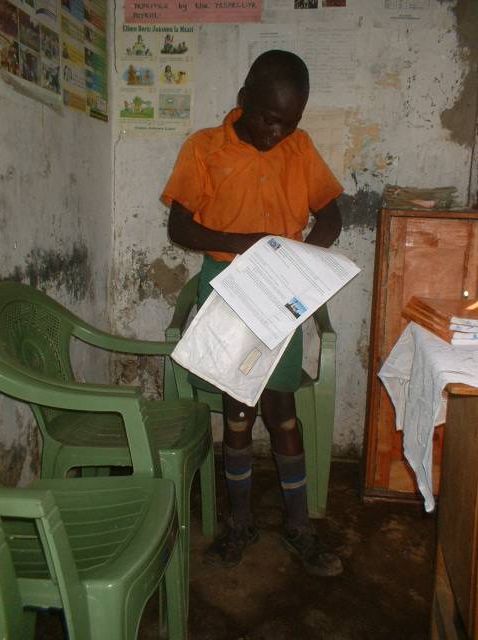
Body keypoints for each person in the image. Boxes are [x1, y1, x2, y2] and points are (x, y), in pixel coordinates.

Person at [162, 50, 344, 577]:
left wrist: (302, 258)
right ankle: (239, 522)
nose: (277, 132)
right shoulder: (204, 148)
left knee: (282, 410)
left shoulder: (299, 148)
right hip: (229, 287)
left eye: (290, 122)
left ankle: (298, 526)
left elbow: (330, 214)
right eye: (268, 119)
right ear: (244, 100)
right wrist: (248, 245)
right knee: (238, 411)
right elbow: (180, 227)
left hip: (280, 287)